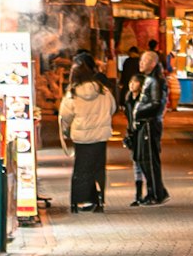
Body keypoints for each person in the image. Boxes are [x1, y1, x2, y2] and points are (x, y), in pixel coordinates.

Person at [63, 62, 117, 212]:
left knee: (81, 169)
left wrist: (66, 130)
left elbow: (65, 116)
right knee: (98, 169)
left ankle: (77, 202)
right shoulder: (103, 90)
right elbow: (112, 108)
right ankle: (99, 202)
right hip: (100, 137)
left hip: (81, 137)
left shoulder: (72, 93)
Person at [122, 44, 171, 204]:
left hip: (149, 124)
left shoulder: (154, 81)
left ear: (152, 64)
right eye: (141, 60)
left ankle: (155, 193)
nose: (140, 64)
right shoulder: (150, 80)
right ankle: (155, 192)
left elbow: (157, 103)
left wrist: (139, 112)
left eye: (144, 61)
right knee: (144, 159)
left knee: (149, 160)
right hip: (145, 124)